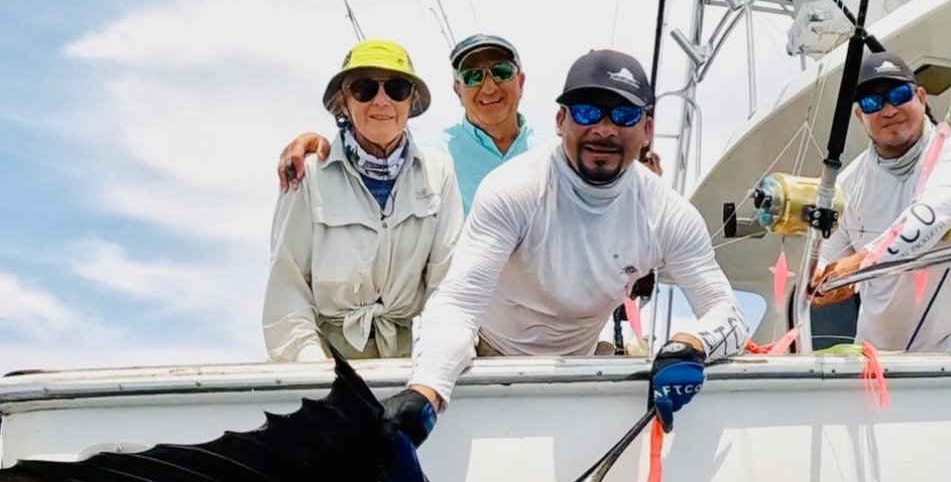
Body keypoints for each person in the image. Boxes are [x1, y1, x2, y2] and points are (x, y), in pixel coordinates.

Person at [382, 49, 747, 446]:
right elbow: (458, 303)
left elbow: (728, 313)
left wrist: (690, 345)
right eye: (587, 113)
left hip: (586, 365)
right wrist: (426, 390)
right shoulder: (514, 189)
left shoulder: (668, 213)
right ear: (560, 122)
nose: (604, 129)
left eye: (623, 115)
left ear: (646, 130)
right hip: (485, 360)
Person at [263, 39, 462, 362]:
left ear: (411, 101)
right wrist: (317, 371)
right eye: (364, 88)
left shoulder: (440, 172)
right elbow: (287, 288)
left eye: (397, 89)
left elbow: (447, 284)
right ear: (343, 101)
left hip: (412, 359)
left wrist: (430, 370)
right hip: (326, 359)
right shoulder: (307, 173)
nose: (381, 100)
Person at [278, 34, 552, 215]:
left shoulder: (557, 151)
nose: (489, 87)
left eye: (502, 72)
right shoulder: (428, 155)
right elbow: (368, 159)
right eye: (473, 76)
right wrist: (314, 143)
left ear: (521, 82)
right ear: (458, 90)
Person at [811, 50, 951, 352]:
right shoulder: (847, 182)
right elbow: (826, 256)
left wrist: (857, 263)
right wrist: (817, 278)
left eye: (899, 94)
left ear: (921, 97)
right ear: (859, 116)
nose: (888, 109)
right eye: (872, 102)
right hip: (874, 360)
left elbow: (927, 217)